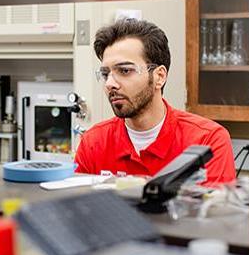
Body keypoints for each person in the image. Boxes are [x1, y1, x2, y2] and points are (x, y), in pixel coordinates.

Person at [74, 19, 236, 185]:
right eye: (105, 74)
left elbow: (215, 210)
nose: (110, 83)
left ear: (159, 76)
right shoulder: (94, 142)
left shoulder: (207, 141)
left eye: (124, 70)